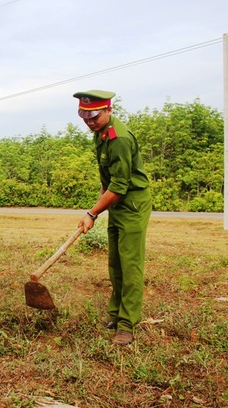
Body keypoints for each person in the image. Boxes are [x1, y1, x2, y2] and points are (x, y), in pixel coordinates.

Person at [73, 90, 152, 346]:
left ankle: (127, 324)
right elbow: (106, 181)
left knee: (130, 264)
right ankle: (116, 313)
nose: (89, 121)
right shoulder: (100, 135)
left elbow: (119, 185)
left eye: (94, 116)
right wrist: (98, 208)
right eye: (84, 117)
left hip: (132, 204)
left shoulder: (119, 139)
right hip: (116, 202)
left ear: (109, 109)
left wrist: (92, 213)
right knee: (115, 262)